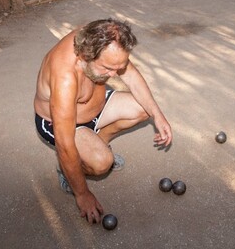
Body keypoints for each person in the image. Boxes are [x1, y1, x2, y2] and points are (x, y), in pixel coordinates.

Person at [34, 18, 173, 223]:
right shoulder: (65, 76)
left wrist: (158, 115)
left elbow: (132, 77)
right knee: (101, 164)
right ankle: (67, 171)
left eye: (118, 67)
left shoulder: (103, 40)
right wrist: (82, 194)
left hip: (95, 108)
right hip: (64, 124)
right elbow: (64, 143)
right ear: (86, 55)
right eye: (107, 69)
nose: (114, 75)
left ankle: (97, 144)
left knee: (144, 108)